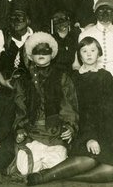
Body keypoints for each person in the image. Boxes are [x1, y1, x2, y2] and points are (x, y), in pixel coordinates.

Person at [27, 69, 113, 184]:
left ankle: (64, 177)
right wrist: (91, 139)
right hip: (100, 144)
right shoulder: (105, 103)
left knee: (109, 172)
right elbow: (90, 124)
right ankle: (45, 176)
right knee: (89, 160)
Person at [11, 32, 78, 177]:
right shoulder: (23, 80)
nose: (41, 54)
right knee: (25, 169)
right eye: (37, 51)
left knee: (56, 167)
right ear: (30, 55)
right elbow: (19, 108)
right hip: (31, 132)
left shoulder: (62, 77)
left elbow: (69, 106)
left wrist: (70, 126)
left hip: (55, 132)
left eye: (45, 51)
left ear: (52, 54)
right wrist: (20, 129)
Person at [78, 0, 113, 76]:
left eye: (109, 10)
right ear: (95, 12)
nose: (105, 13)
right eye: (100, 10)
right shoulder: (85, 35)